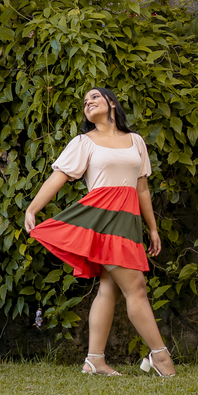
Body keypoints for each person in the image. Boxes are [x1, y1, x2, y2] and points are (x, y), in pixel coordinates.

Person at [25, 87, 176, 377]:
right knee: (136, 287)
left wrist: (153, 228)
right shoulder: (84, 141)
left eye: (94, 97)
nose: (89, 102)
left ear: (112, 103)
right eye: (85, 101)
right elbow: (59, 176)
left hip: (127, 220)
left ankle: (95, 361)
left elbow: (142, 187)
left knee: (109, 287)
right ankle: (161, 357)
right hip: (102, 218)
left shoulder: (136, 141)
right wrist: (33, 208)